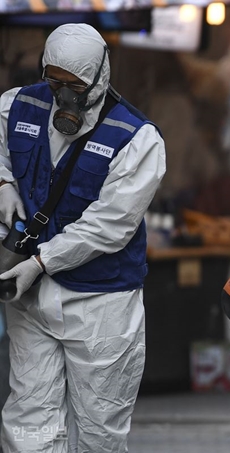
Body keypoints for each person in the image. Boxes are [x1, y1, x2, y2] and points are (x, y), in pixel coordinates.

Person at [0, 23, 166, 452]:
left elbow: (110, 225)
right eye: (54, 82)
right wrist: (2, 186)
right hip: (31, 301)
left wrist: (40, 262)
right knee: (30, 415)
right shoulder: (16, 108)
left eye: (76, 85)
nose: (64, 96)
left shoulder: (137, 139)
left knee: (99, 428)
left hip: (100, 305)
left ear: (99, 77)